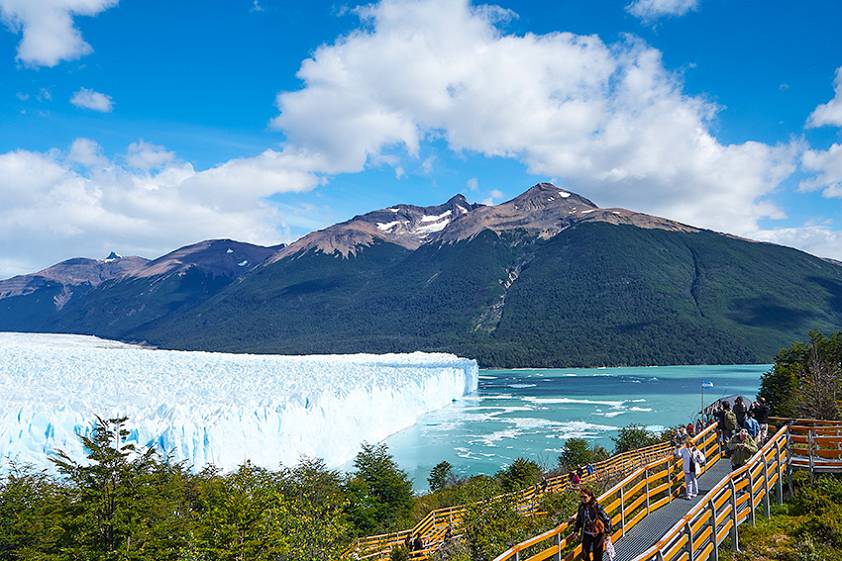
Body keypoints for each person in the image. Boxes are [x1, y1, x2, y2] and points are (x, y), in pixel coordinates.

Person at [574, 488, 612, 561]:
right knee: (585, 554)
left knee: (597, 555)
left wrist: (607, 533)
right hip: (587, 533)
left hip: (598, 533)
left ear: (590, 497)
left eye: (585, 497)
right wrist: (576, 531)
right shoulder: (581, 507)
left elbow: (606, 519)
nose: (583, 499)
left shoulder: (597, 506)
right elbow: (579, 519)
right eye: (581, 497)